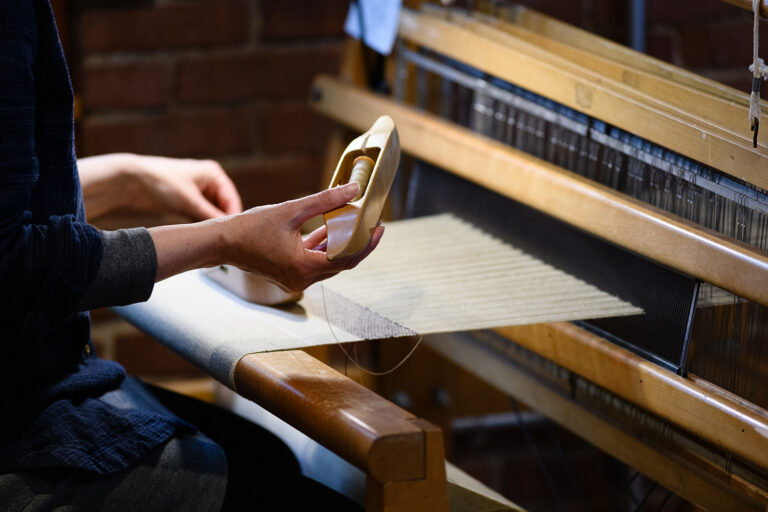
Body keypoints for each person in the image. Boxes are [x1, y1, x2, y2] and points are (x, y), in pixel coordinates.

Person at [0, 1, 382, 510]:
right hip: (17, 431)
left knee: (266, 455)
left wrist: (130, 178)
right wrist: (220, 240)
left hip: (32, 391)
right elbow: (11, 266)